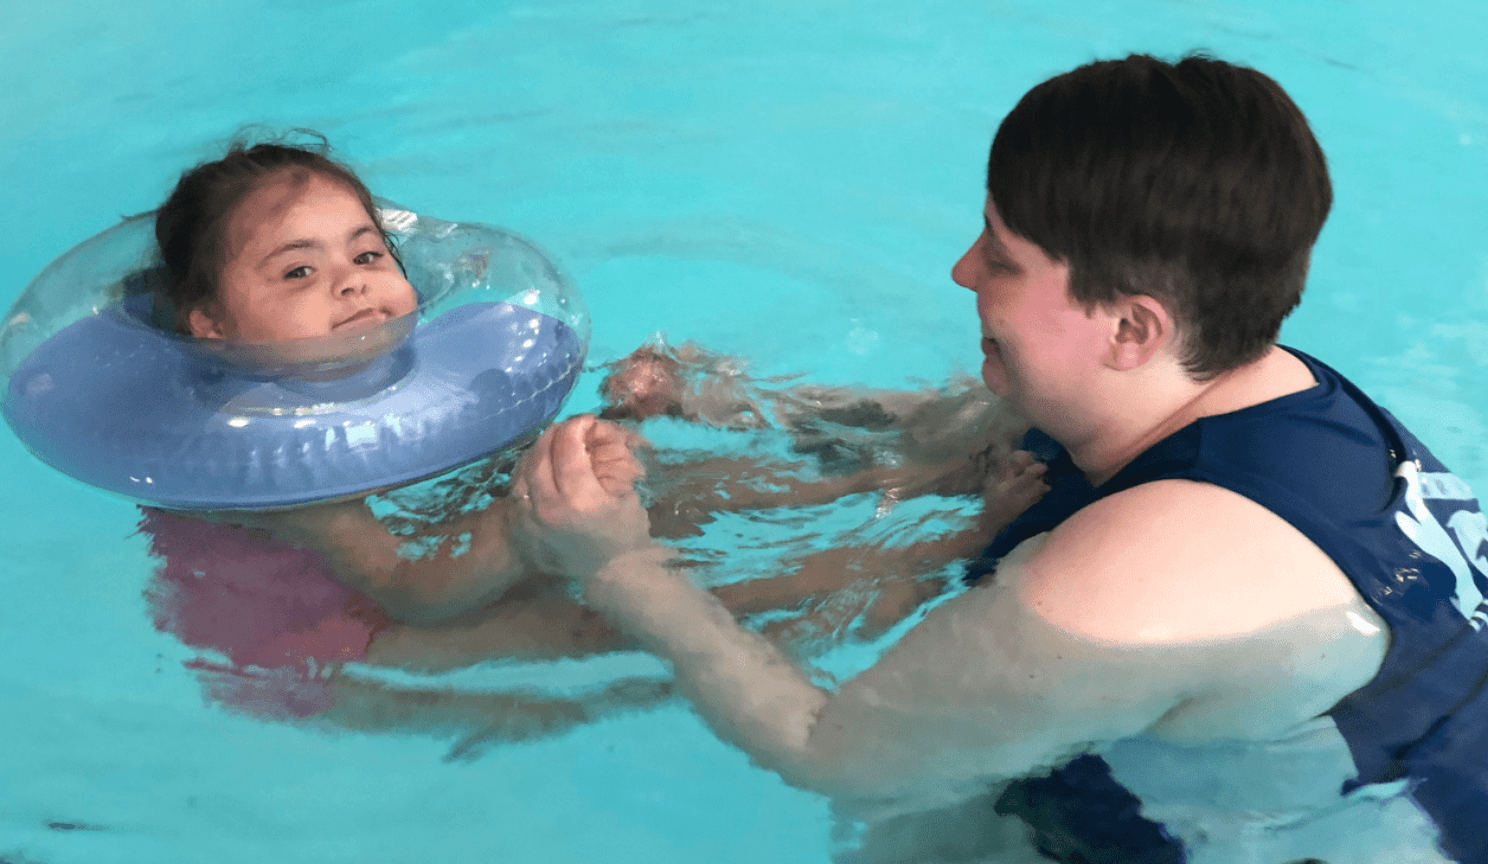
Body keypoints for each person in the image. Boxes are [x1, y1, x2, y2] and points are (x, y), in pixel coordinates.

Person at [510, 53, 1488, 864]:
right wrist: (723, 402)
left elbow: (832, 752)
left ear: (1132, 326)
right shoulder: (1251, 384)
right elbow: (963, 426)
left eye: (1001, 255)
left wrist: (617, 566)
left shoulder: (1126, 591)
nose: (962, 271)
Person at [140, 137, 1048, 748]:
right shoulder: (279, 461)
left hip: (440, 550)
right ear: (213, 327)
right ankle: (948, 549)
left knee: (674, 490)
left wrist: (615, 427)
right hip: (331, 638)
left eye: (366, 254)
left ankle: (921, 474)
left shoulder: (423, 371)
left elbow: (489, 472)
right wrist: (526, 528)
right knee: (595, 612)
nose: (350, 285)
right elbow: (413, 592)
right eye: (300, 271)